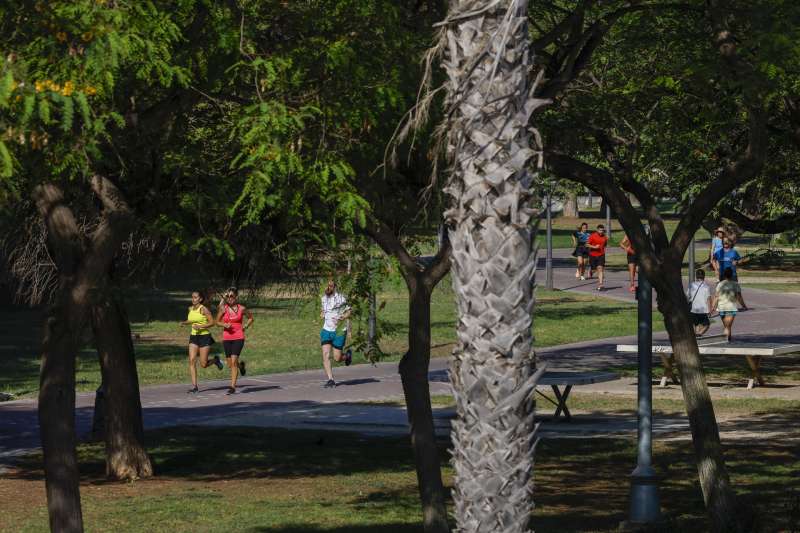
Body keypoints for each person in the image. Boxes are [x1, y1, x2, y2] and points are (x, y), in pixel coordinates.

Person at [180, 290, 223, 394]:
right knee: (192, 360)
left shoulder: (203, 309)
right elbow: (192, 320)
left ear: (200, 299)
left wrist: (200, 326)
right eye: (192, 297)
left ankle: (215, 361)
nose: (193, 299)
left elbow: (212, 322)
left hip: (204, 337)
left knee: (203, 364)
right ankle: (195, 386)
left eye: (195, 297)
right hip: (194, 337)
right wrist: (184, 322)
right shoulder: (190, 308)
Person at [215, 287, 254, 395]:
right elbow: (216, 322)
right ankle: (241, 366)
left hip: (238, 337)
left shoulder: (241, 308)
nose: (229, 298)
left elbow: (251, 318)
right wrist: (224, 324)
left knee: (233, 362)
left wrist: (245, 326)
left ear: (236, 297)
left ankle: (232, 387)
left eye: (231, 296)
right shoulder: (224, 309)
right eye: (227, 296)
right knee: (230, 364)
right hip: (227, 338)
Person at [320, 279, 352, 388]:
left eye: (331, 286)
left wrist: (344, 316)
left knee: (337, 358)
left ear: (335, 287)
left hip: (338, 331)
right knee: (325, 355)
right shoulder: (323, 299)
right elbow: (323, 310)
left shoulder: (341, 298)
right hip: (326, 330)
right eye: (327, 286)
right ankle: (330, 379)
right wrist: (322, 313)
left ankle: (347, 356)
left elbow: (349, 311)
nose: (328, 288)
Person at [710, 267, 748, 342]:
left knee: (727, 326)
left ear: (724, 275)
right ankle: (726, 341)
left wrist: (713, 307)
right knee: (727, 327)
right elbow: (739, 297)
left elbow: (716, 296)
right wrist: (744, 306)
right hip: (731, 307)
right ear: (732, 275)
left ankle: (728, 340)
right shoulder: (735, 284)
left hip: (721, 307)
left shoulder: (720, 284)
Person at [687, 269, 712, 337]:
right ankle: (699, 334)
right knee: (706, 324)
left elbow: (688, 297)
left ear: (696, 276)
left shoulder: (691, 285)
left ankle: (695, 336)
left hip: (693, 308)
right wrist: (710, 309)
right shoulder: (706, 287)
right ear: (704, 276)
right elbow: (708, 299)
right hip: (703, 309)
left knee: (695, 324)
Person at [586, 224, 608, 290]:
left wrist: (602, 250)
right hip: (592, 255)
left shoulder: (605, 237)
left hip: (601, 255)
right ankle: (591, 271)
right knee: (594, 270)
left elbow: (605, 245)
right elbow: (587, 244)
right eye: (600, 230)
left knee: (600, 268)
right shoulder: (592, 236)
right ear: (597, 230)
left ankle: (600, 285)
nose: (601, 231)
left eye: (602, 230)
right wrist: (594, 247)